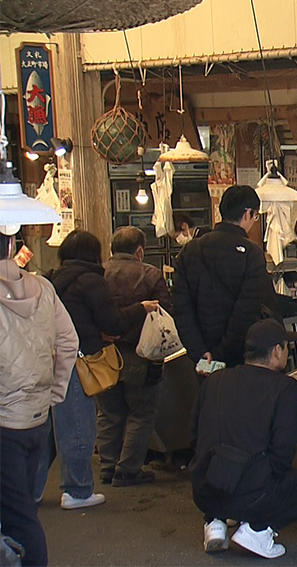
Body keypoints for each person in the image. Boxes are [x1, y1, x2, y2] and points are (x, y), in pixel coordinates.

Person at [37, 230, 159, 510]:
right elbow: (112, 322)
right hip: (80, 359)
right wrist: (140, 308)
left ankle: (30, 490)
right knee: (79, 425)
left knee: (52, 429)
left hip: (50, 358)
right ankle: (77, 490)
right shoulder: (91, 280)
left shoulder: (52, 280)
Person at [189, 320, 297, 560]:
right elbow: (282, 455)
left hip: (204, 490)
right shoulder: (286, 389)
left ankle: (215, 523)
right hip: (252, 497)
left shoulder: (215, 381)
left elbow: (194, 436)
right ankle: (257, 530)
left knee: (228, 469)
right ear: (277, 351)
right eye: (286, 347)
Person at [0, 234, 79, 566]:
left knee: (18, 517)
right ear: (10, 246)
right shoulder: (44, 288)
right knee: (22, 511)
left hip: (4, 422)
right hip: (36, 418)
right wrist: (54, 392)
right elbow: (69, 340)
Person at [98, 226, 172, 487]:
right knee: (141, 412)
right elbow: (166, 312)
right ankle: (127, 470)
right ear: (140, 251)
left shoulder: (99, 274)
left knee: (108, 411)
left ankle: (107, 466)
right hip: (142, 354)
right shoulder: (150, 274)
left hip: (105, 354)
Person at [173, 186, 276, 371]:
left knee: (208, 391)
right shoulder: (252, 254)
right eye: (255, 216)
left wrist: (200, 352)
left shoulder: (189, 251)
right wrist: (221, 354)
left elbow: (181, 308)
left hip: (202, 360)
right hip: (239, 356)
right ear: (248, 213)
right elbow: (246, 310)